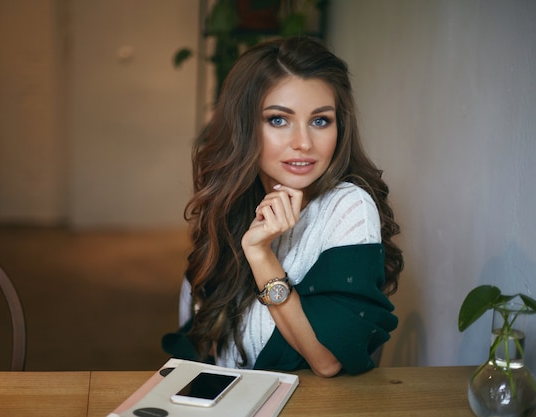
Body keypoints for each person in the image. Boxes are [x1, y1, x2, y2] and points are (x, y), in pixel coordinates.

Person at [162, 36, 403, 377]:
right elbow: (201, 346)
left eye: (320, 121)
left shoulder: (348, 206)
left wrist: (262, 257)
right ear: (244, 127)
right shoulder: (234, 201)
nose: (303, 143)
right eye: (278, 120)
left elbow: (327, 360)